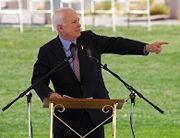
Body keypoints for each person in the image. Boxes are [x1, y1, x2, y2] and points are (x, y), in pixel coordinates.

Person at [31, 7, 168, 138]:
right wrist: (49, 94)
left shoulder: (89, 39)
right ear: (60, 27)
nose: (79, 24)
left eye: (78, 20)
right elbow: (38, 79)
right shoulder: (47, 51)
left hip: (94, 115)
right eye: (74, 22)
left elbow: (116, 44)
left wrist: (145, 47)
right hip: (66, 118)